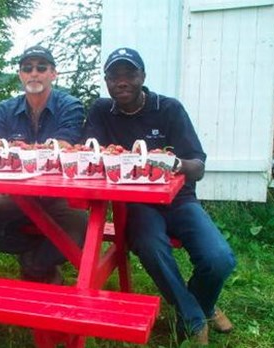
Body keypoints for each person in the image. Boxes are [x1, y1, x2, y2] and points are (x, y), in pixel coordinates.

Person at [83, 47, 236, 344]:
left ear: (143, 77)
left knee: (220, 258)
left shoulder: (168, 109)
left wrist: (175, 163)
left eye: (130, 74)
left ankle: (199, 304)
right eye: (114, 76)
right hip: (136, 204)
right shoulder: (102, 110)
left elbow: (198, 166)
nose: (122, 81)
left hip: (179, 200)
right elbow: (90, 155)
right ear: (106, 81)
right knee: (149, 245)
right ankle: (194, 317)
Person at [0, 45, 88, 284]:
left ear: (53, 73)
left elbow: (62, 146)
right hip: (17, 195)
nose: (34, 73)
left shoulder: (70, 105)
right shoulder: (6, 108)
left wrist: (13, 148)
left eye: (41, 67)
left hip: (62, 195)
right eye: (27, 68)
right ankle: (40, 258)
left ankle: (34, 265)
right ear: (20, 75)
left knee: (78, 235)